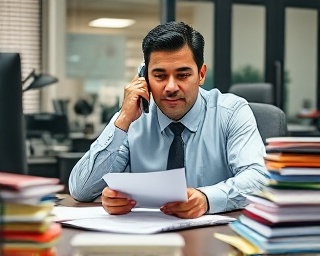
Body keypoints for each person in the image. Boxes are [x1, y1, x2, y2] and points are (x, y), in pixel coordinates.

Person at [69, 21, 268, 219]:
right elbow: (81, 190)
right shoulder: (133, 118)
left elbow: (259, 179)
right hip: (146, 240)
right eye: (160, 75)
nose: (171, 87)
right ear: (144, 78)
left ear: (201, 74)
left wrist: (207, 198)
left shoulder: (231, 112)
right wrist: (122, 119)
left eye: (182, 75)